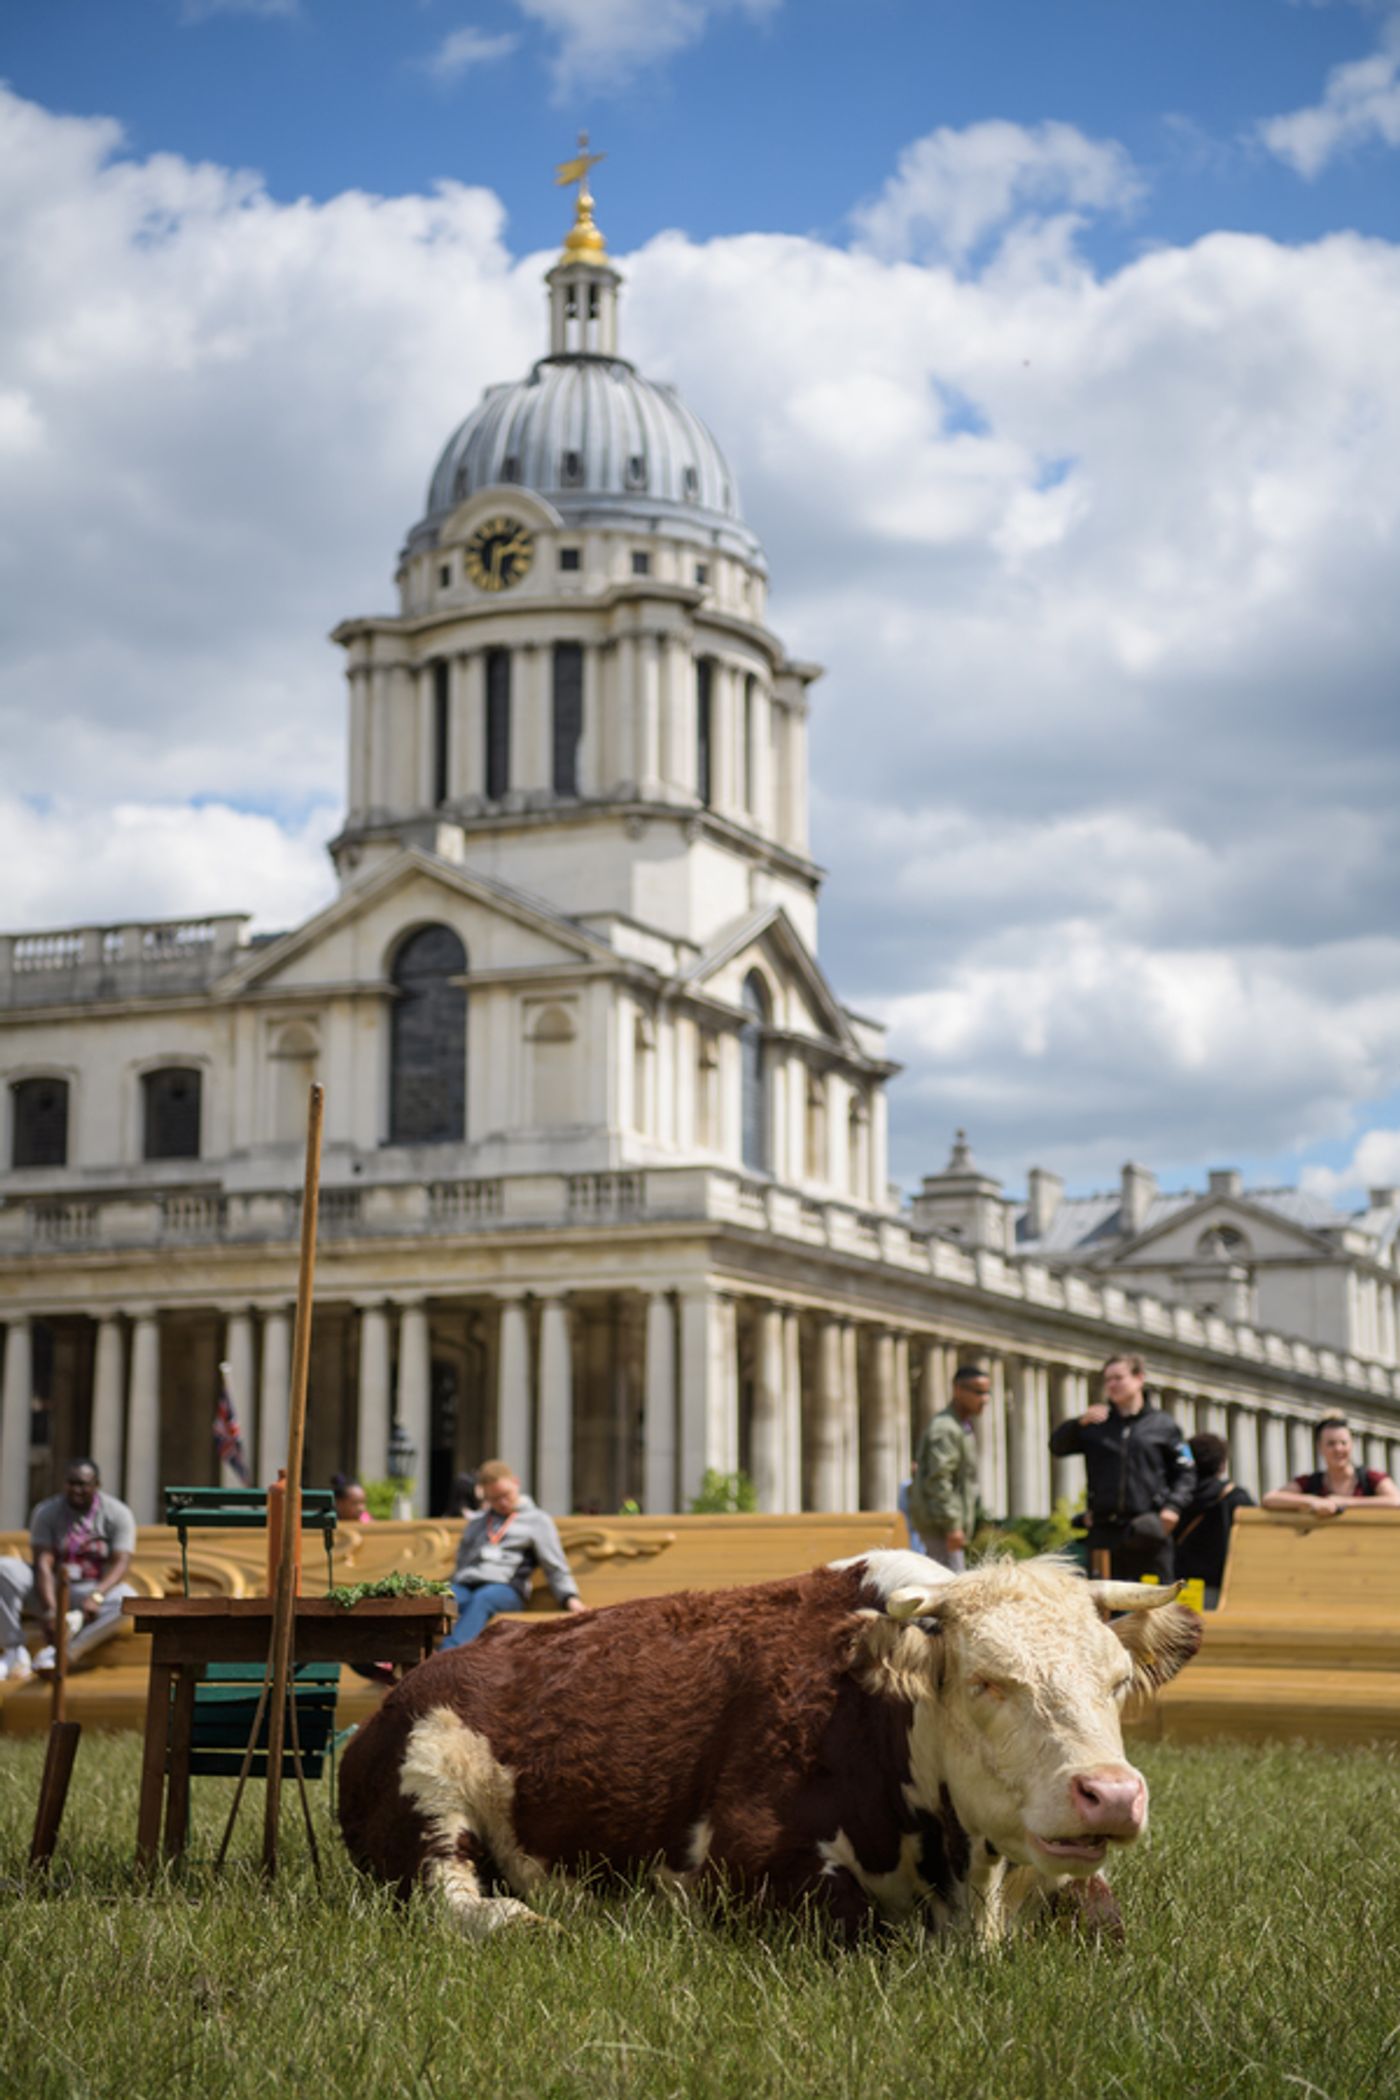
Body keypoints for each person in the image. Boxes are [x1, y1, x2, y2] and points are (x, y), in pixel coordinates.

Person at [1048, 1354, 1196, 1582]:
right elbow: (1057, 1447)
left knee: (1154, 1607)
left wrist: (1173, 1507)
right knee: (1103, 1608)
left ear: (1139, 1378)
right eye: (1107, 1380)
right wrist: (1077, 1424)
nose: (1112, 1385)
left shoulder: (1163, 1425)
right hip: (1104, 1531)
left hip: (1148, 1531)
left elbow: (1186, 1471)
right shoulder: (1098, 1424)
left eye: (1118, 1378)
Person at [0, 1458, 137, 1682]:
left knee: (127, 1599)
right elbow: (43, 1562)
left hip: (91, 1589)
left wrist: (98, 1595)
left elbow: (121, 1562)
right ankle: (13, 1650)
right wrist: (51, 1611)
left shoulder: (118, 1513)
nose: (77, 1490)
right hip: (51, 1586)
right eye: (71, 1483)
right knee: (4, 1568)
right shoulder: (47, 1511)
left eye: (83, 1484)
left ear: (97, 1484)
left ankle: (65, 1653)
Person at [440, 1460, 587, 1650]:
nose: (501, 1503)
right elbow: (462, 1561)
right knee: (446, 1599)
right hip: (468, 1584)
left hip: (505, 1588)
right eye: (494, 1499)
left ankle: (447, 1655)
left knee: (483, 1599)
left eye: (505, 1495)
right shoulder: (478, 1523)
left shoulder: (537, 1520)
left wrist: (570, 1598)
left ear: (516, 1483)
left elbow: (554, 1565)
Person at [907, 1365, 992, 1572]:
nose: (985, 1399)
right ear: (957, 1390)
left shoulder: (960, 1426)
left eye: (987, 1392)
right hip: (941, 1527)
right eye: (978, 1392)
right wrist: (952, 1525)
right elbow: (938, 1480)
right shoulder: (946, 1428)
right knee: (951, 1587)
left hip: (944, 1526)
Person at [1172, 1433, 1254, 1607]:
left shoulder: (1176, 1498)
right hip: (1220, 1590)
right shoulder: (1235, 1498)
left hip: (1178, 1588)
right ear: (1222, 1465)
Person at [1261, 1417, 1400, 1516]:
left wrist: (1344, 1502)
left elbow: (1396, 1501)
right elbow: (1270, 1498)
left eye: (1343, 1443)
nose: (1338, 1449)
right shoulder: (1311, 1482)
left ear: (1351, 1445)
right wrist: (1313, 1501)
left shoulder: (1370, 1478)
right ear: (1320, 1447)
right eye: (1331, 1443)